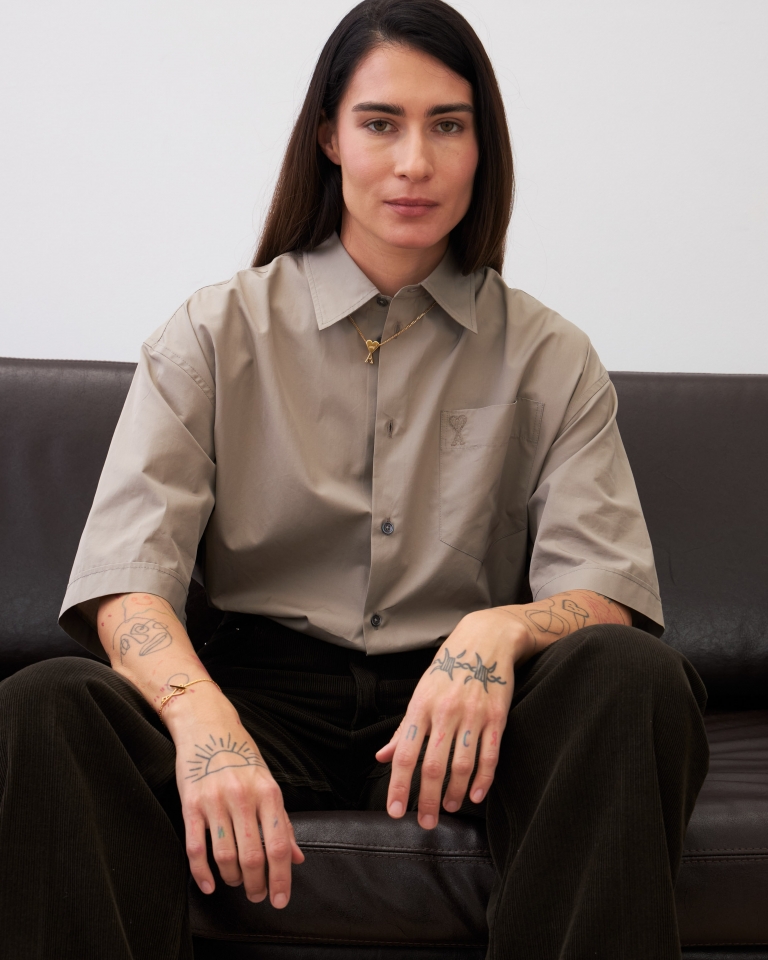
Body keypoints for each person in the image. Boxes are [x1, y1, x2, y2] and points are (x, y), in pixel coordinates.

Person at [0, 1, 709, 957]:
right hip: (258, 690)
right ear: (330, 137)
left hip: (462, 711)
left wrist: (497, 632)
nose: (414, 162)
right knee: (47, 705)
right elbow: (127, 582)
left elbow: (606, 594)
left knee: (634, 677)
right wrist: (201, 715)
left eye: (447, 125)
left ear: (482, 148)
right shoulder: (212, 334)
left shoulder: (553, 355)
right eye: (381, 123)